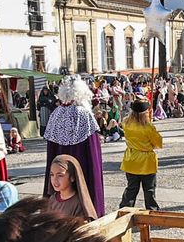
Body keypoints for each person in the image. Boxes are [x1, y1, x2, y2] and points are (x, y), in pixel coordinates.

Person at [41, 76, 104, 212]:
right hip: (82, 161)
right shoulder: (84, 114)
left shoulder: (56, 113)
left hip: (59, 164)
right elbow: (92, 149)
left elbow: (51, 148)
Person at [119, 99, 162, 211]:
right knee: (149, 189)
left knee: (131, 188)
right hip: (146, 161)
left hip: (131, 158)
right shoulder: (148, 127)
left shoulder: (126, 123)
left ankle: (124, 209)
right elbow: (158, 143)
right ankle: (152, 210)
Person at [46, 155, 97, 220]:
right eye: (52, 175)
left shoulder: (78, 203)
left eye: (60, 175)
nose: (54, 180)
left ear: (72, 177)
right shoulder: (52, 199)